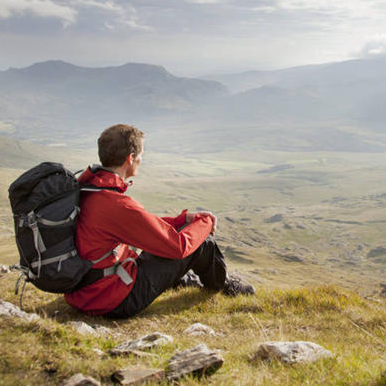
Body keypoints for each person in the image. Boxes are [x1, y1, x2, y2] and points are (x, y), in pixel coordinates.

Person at [64, 124, 253, 318]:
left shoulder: (87, 188)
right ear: (130, 159)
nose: (141, 160)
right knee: (203, 243)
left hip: (82, 292)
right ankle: (223, 285)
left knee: (160, 243)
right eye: (140, 155)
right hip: (111, 300)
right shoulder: (117, 204)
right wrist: (204, 222)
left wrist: (182, 220)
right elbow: (178, 247)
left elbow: (141, 225)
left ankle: (184, 279)